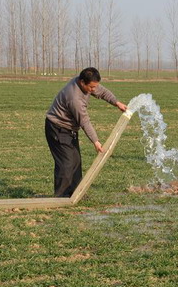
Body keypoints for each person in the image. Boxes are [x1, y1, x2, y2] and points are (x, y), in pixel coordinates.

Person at [45, 67, 127, 197]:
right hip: (57, 128)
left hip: (69, 129)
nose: (94, 89)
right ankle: (61, 197)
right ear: (82, 82)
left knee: (76, 161)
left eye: (95, 86)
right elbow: (84, 121)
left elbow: (102, 92)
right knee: (66, 163)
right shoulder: (74, 98)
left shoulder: (87, 84)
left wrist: (117, 103)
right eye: (91, 87)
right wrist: (96, 141)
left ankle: (76, 194)